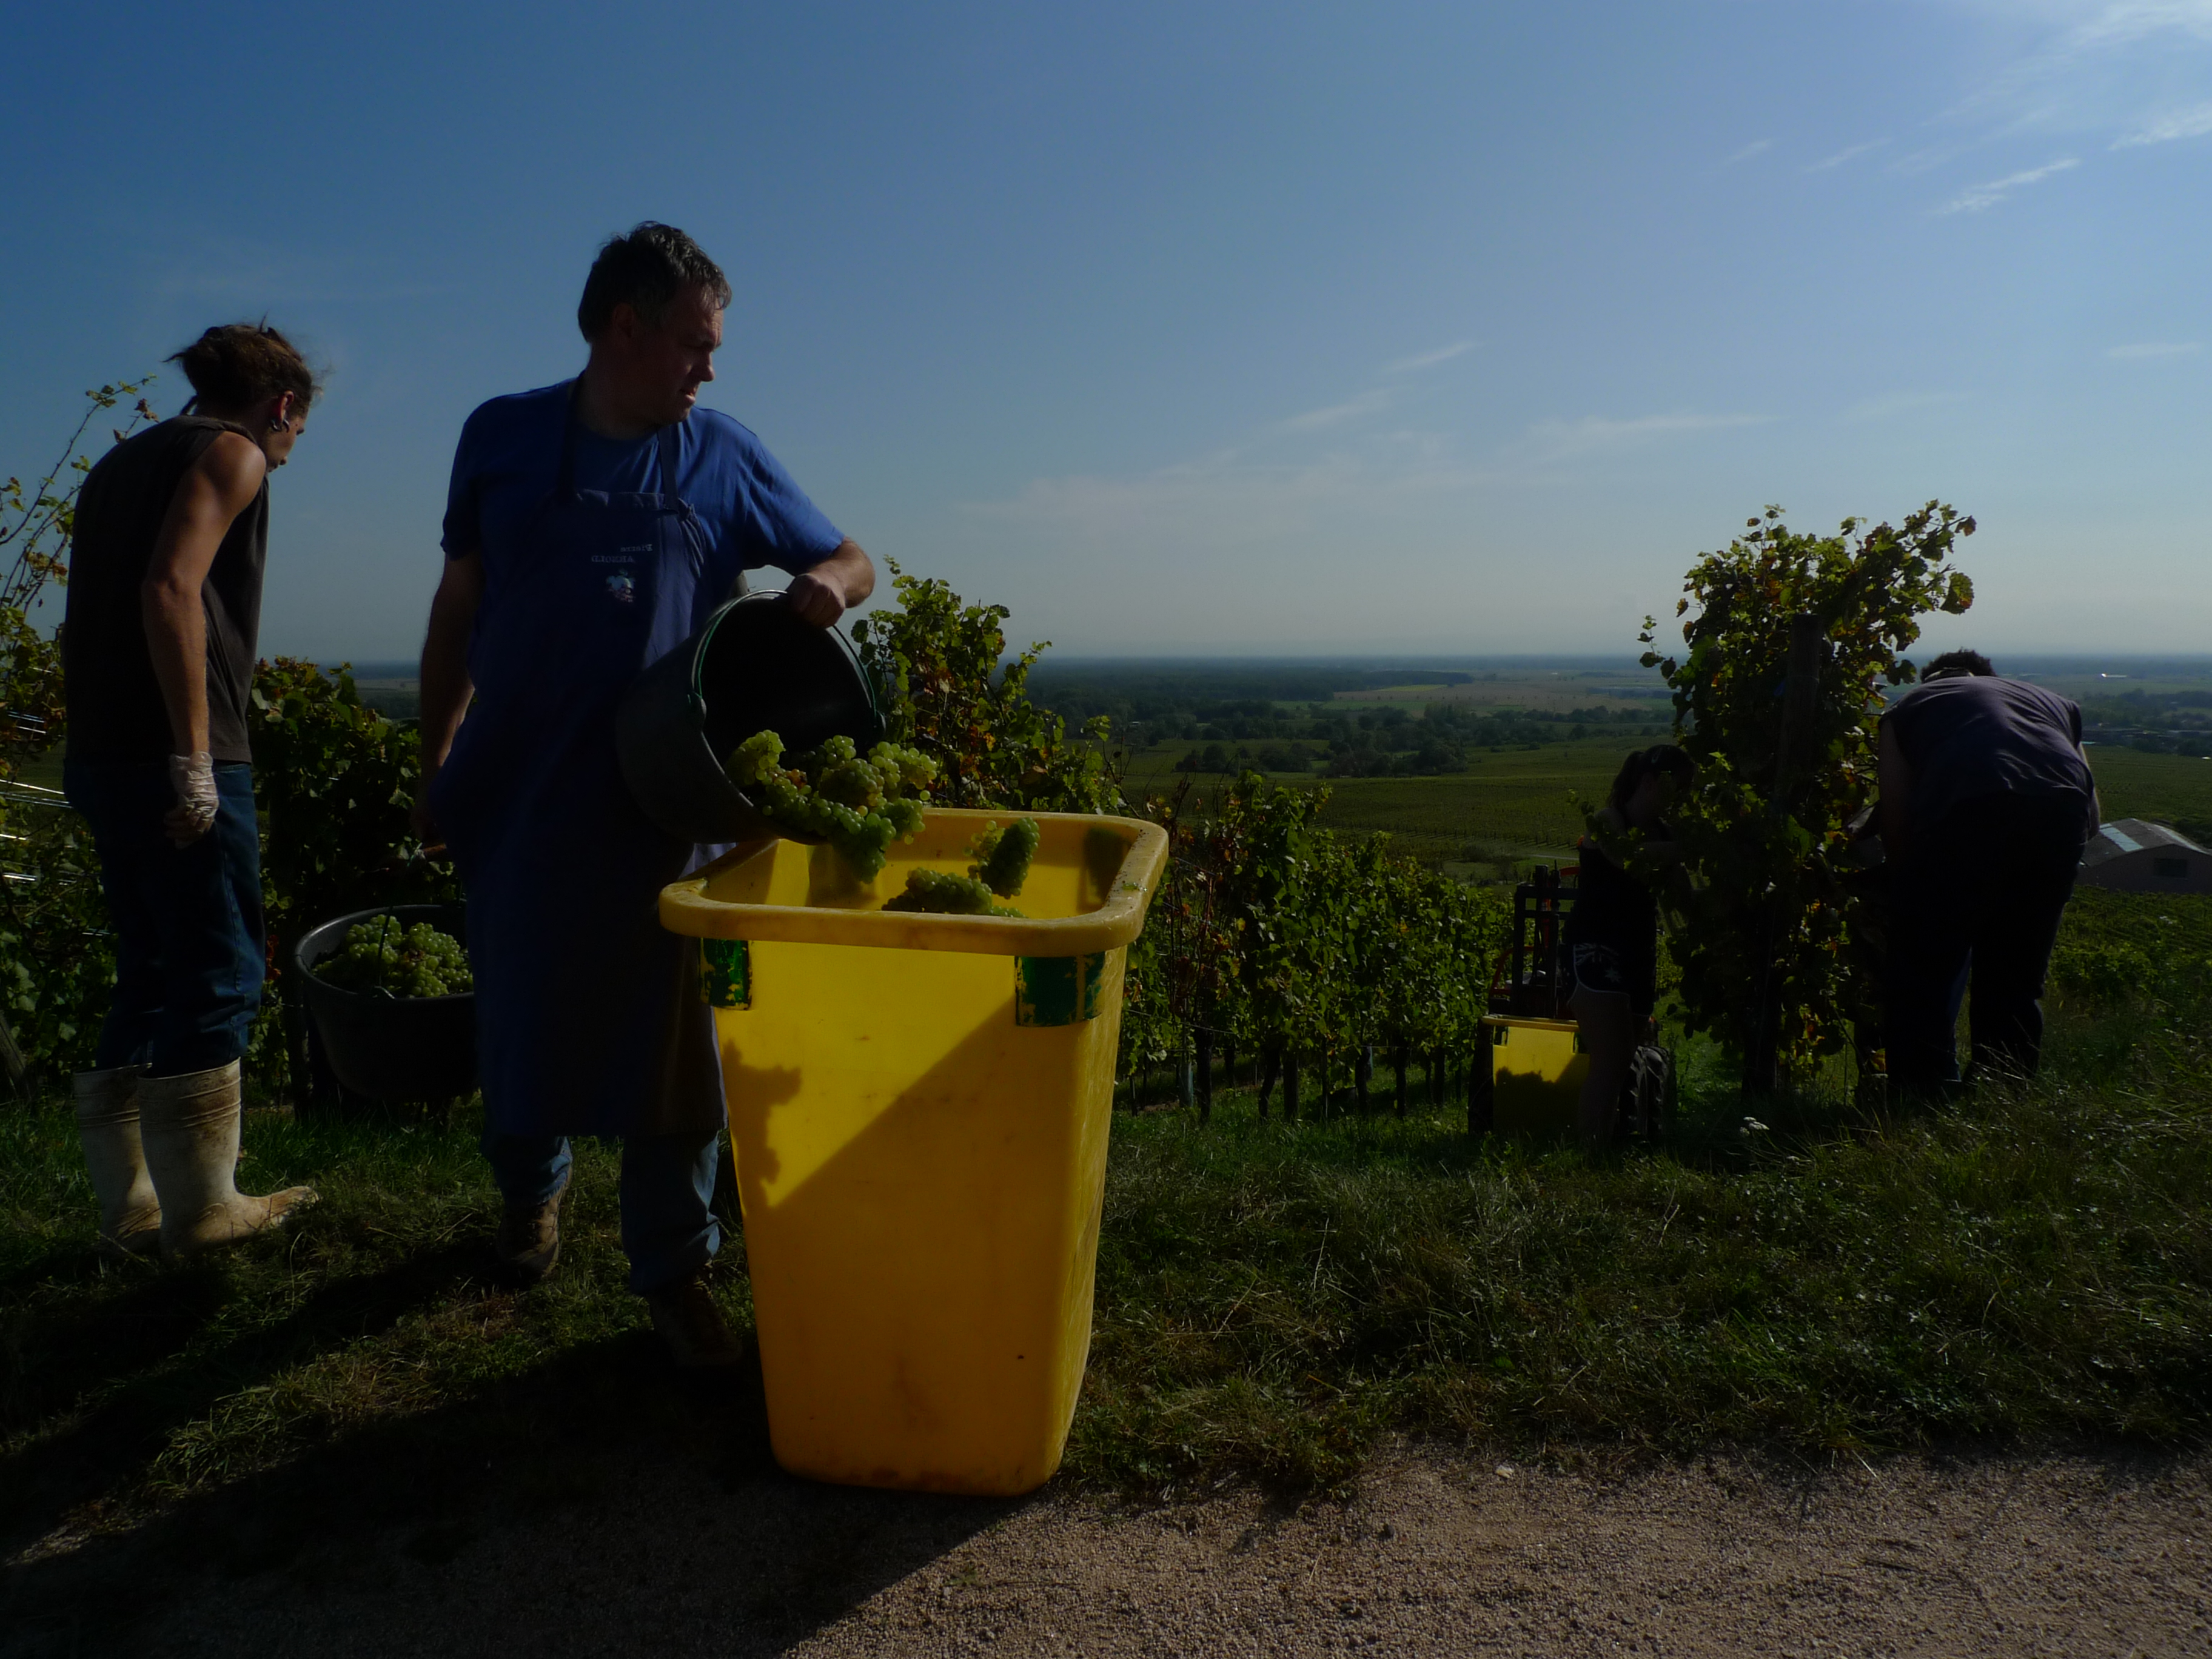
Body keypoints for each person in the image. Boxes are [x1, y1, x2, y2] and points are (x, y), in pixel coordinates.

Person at [413, 223, 874, 1366]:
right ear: (626, 327)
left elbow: (857, 557)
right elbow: (457, 609)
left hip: (670, 793)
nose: (707, 370)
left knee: (680, 1051)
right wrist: (438, 759)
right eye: (692, 345)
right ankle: (532, 1197)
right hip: (519, 784)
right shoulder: (503, 437)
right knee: (521, 1011)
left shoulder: (723, 453)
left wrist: (825, 578)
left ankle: (674, 1269)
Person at [61, 323, 320, 1260]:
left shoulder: (119, 465)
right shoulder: (234, 451)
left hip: (99, 752)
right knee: (221, 970)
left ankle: (129, 1209)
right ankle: (207, 1214)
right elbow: (172, 590)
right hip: (177, 752)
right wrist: (196, 760)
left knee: (149, 969)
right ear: (281, 405)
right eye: (296, 433)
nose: (285, 456)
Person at [1878, 649, 2097, 1093]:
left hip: (1966, 812)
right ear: (1990, 677)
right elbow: (2091, 816)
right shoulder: (2052, 704)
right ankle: (2003, 1099)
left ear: (1929, 680)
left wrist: (1907, 891)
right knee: (2016, 977)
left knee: (1926, 969)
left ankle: (1924, 1101)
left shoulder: (1907, 709)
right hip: (2058, 819)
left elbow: (1896, 816)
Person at [1564, 745, 1694, 1153]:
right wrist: (1693, 848)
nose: (1685, 798)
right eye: (1681, 788)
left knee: (1624, 1060)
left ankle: (1609, 1149)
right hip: (1595, 948)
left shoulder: (1667, 836)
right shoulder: (1607, 822)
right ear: (1651, 783)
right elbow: (1627, 858)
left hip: (1639, 950)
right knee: (1613, 1059)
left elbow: (1683, 899)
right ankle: (1587, 1155)